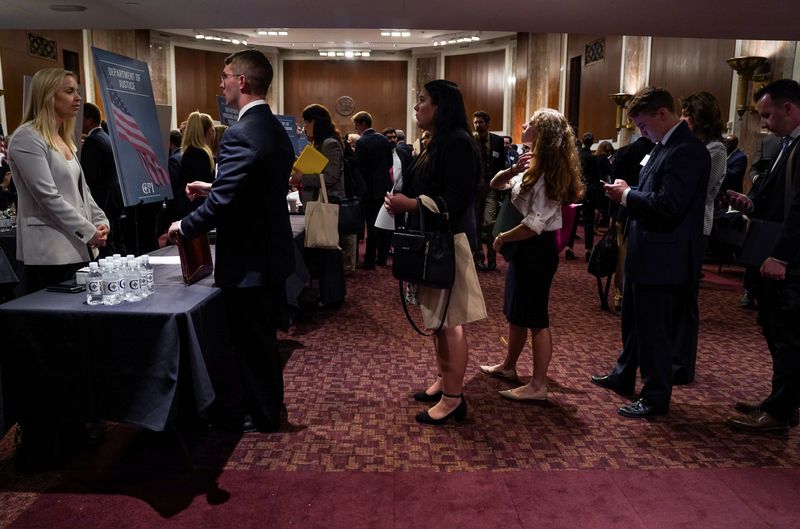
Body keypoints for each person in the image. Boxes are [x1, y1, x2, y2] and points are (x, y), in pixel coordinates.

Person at [168, 49, 295, 433]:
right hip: (270, 254)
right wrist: (213, 187)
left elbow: (227, 202)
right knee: (263, 340)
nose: (220, 84)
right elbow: (253, 190)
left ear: (241, 81)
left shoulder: (241, 133)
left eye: (224, 76)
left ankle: (262, 415)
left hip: (249, 261)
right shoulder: (272, 128)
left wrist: (183, 227)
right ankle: (268, 406)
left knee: (252, 343)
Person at [590, 86, 710, 418]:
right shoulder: (662, 146)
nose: (642, 133)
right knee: (634, 320)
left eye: (643, 125)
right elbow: (651, 190)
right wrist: (628, 192)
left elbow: (669, 205)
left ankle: (656, 396)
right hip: (646, 248)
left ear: (662, 114)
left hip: (665, 256)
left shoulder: (686, 150)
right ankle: (624, 374)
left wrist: (627, 196)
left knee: (655, 331)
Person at [385, 79, 486, 425]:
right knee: (438, 322)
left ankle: (454, 398)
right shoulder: (437, 141)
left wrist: (411, 203)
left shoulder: (456, 142)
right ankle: (445, 381)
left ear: (441, 106)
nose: (417, 106)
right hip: (435, 242)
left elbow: (457, 201)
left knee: (449, 323)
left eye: (423, 100)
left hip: (448, 243)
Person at [479, 109, 583, 400]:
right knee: (516, 313)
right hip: (525, 248)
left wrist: (501, 238)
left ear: (544, 133)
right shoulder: (530, 163)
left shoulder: (549, 173)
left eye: (532, 123)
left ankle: (538, 385)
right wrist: (513, 169)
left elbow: (535, 226)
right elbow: (495, 184)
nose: (524, 125)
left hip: (536, 249)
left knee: (536, 317)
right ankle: (509, 366)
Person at [725, 79, 800, 433]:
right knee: (774, 331)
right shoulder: (787, 143)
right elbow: (778, 199)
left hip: (789, 262)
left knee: (787, 337)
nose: (764, 124)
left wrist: (782, 257)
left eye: (768, 115)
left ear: (790, 108)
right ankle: (780, 401)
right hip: (775, 253)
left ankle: (780, 411)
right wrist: (750, 203)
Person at [7, 68, 108, 294]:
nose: (78, 98)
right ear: (48, 95)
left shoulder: (65, 139)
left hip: (78, 248)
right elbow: (47, 197)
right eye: (70, 91)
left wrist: (101, 223)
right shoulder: (27, 137)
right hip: (50, 255)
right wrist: (88, 231)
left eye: (77, 91)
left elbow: (83, 192)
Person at [290, 103, 346, 308]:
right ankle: (328, 294)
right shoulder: (319, 144)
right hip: (320, 202)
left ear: (316, 122)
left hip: (328, 202)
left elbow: (330, 177)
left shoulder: (330, 144)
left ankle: (332, 297)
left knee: (328, 251)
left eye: (307, 121)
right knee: (324, 251)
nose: (304, 126)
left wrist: (302, 177)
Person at [80, 101, 125, 256]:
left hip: (103, 198)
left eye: (81, 118)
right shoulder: (106, 137)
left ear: (89, 120)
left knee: (108, 243)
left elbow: (90, 177)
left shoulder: (92, 141)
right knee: (117, 239)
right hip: (114, 196)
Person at [352, 111, 393, 269]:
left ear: (362, 123)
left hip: (369, 190)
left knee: (371, 225)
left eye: (356, 124)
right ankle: (382, 258)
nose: (355, 128)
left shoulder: (362, 142)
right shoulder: (383, 139)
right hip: (384, 187)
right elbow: (389, 163)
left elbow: (360, 168)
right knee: (383, 224)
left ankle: (369, 261)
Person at [472, 111, 507, 271]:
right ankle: (478, 258)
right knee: (476, 225)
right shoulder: (470, 140)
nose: (477, 125)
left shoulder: (497, 141)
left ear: (487, 124)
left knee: (489, 223)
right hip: (475, 189)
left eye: (480, 122)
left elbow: (501, 165)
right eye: (475, 122)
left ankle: (492, 258)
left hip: (492, 188)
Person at [175, 111, 216, 219]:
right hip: (196, 214)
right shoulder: (201, 155)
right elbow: (201, 194)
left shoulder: (189, 152)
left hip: (189, 212)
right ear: (211, 131)